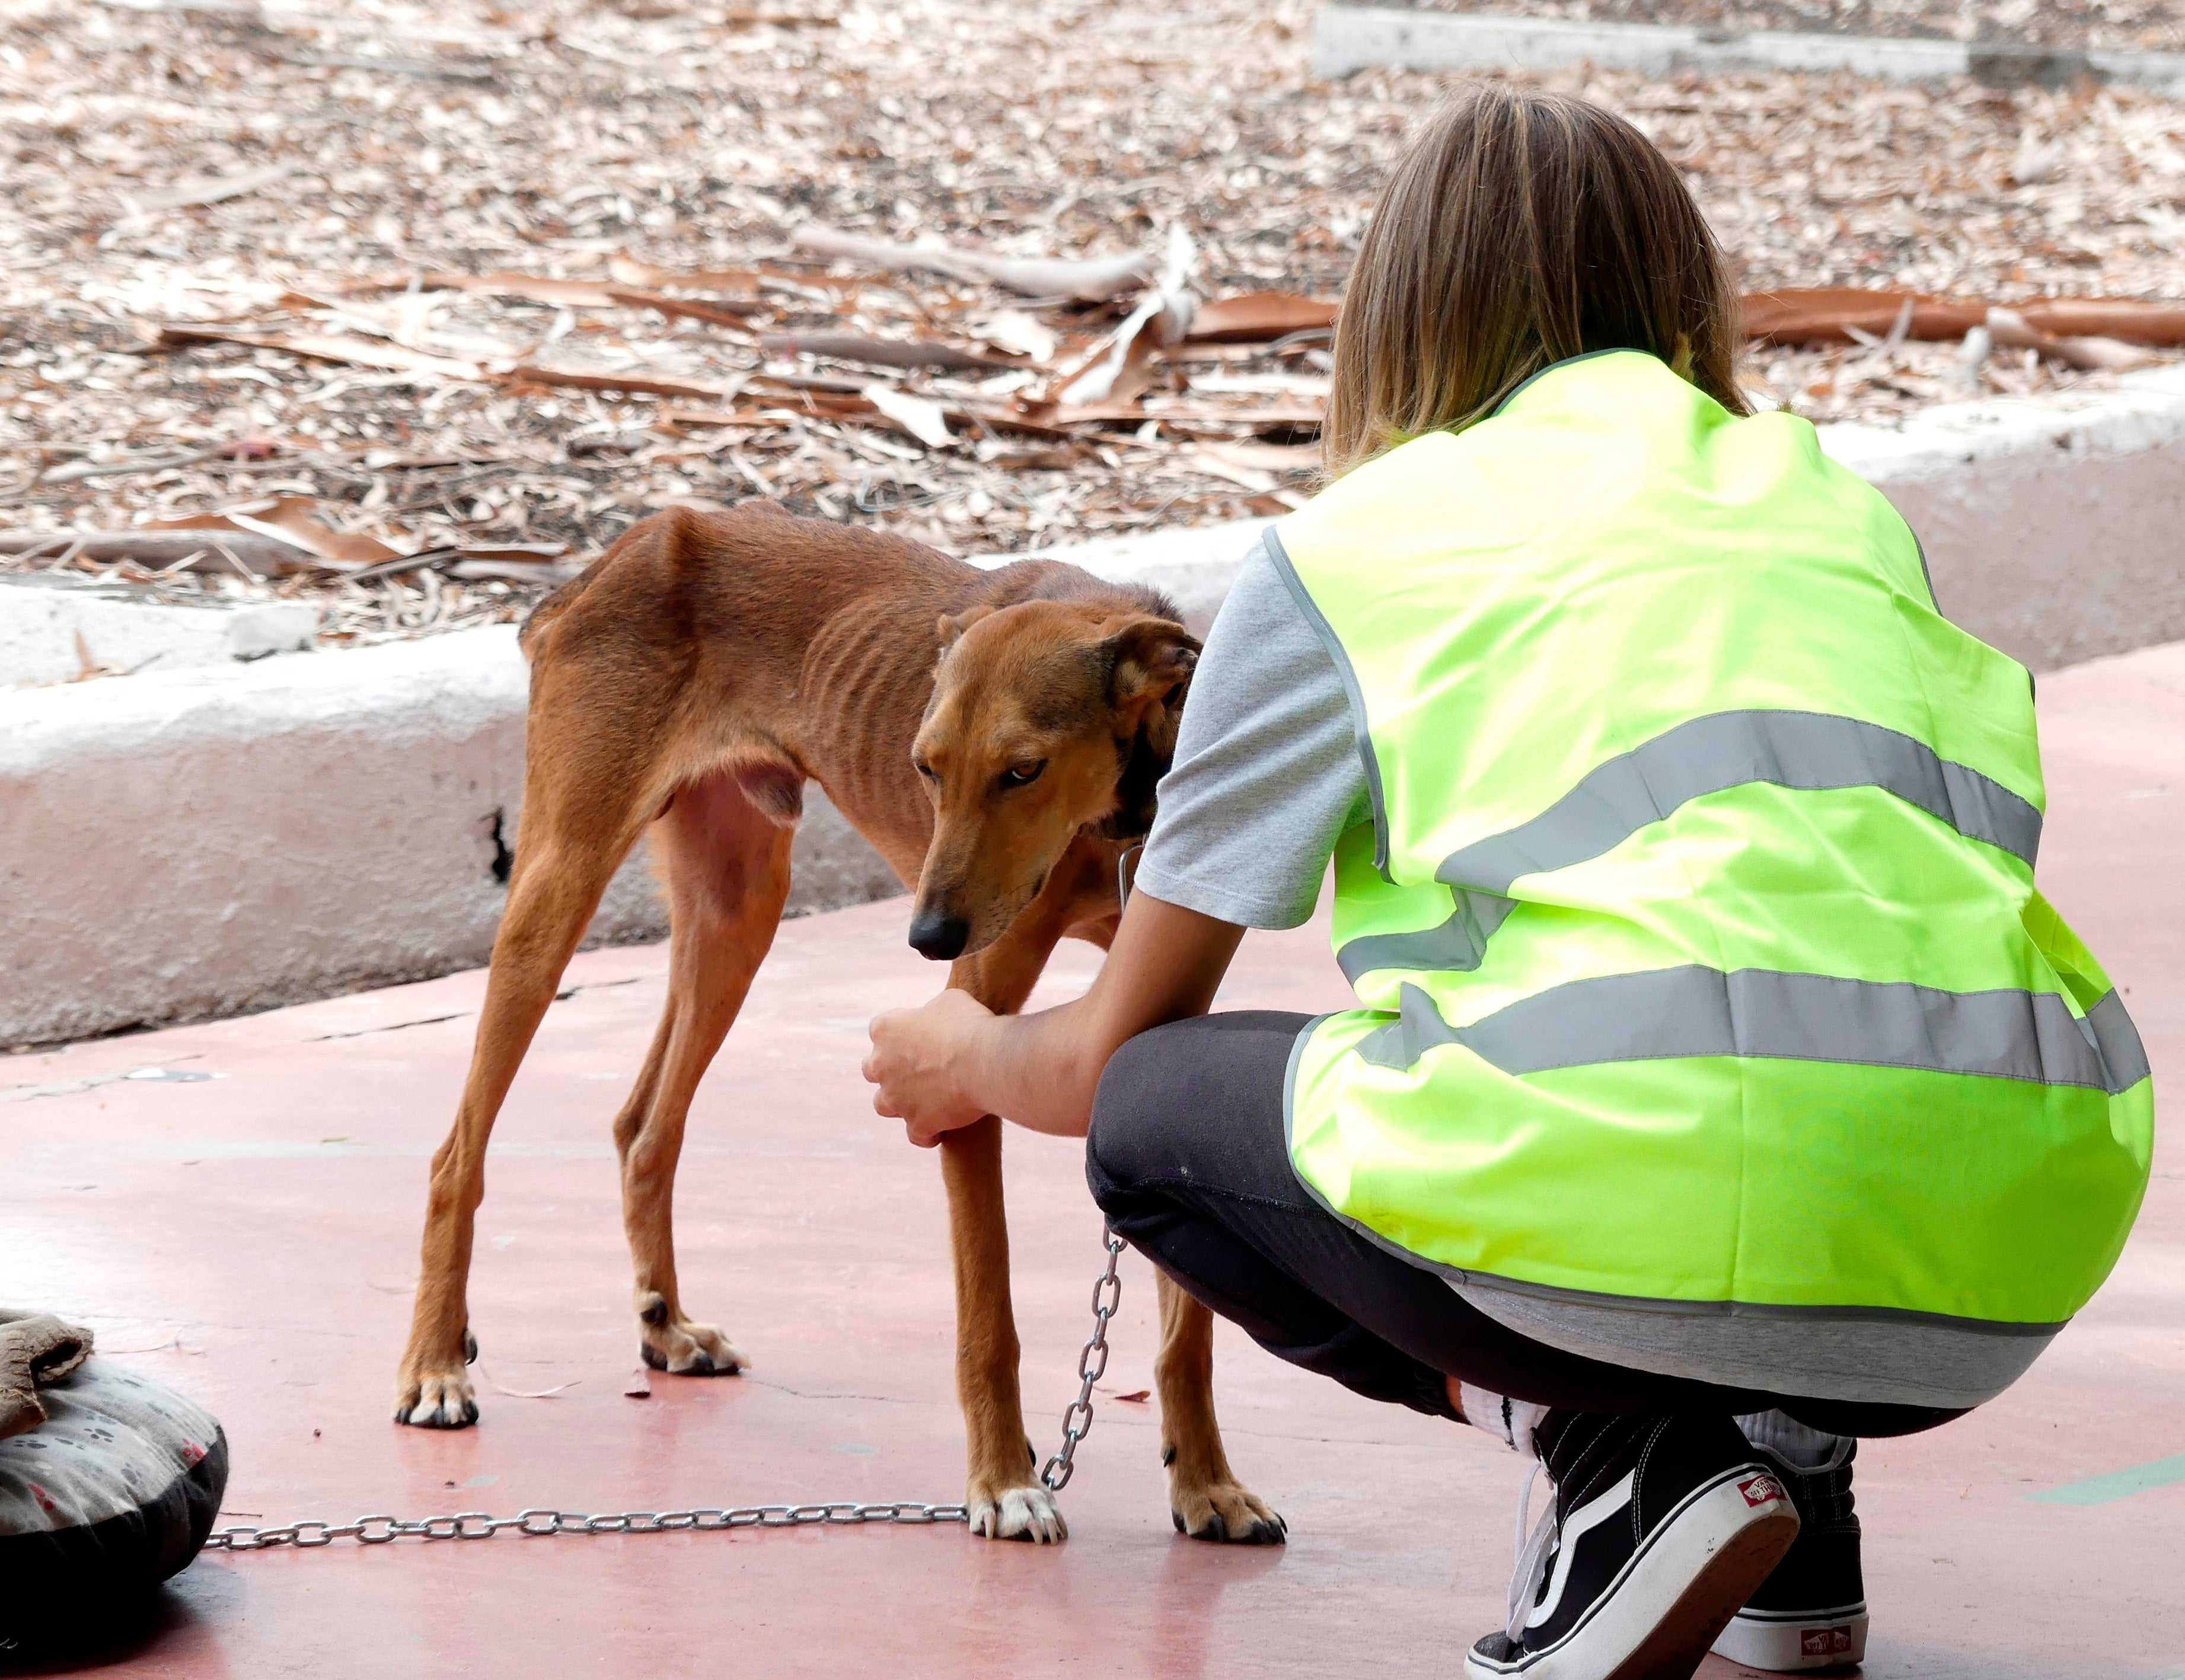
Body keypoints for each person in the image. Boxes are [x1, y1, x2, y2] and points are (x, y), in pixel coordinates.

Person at [863, 84, 2153, 1680]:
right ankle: (1793, 1498)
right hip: (2006, 1236)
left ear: (1400, 316)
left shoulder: (1346, 557)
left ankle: (1610, 1458)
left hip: (1657, 1205)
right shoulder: (1837, 507)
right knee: (1781, 1090)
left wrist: (957, 1054)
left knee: (1156, 1117)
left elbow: (1096, 1053)